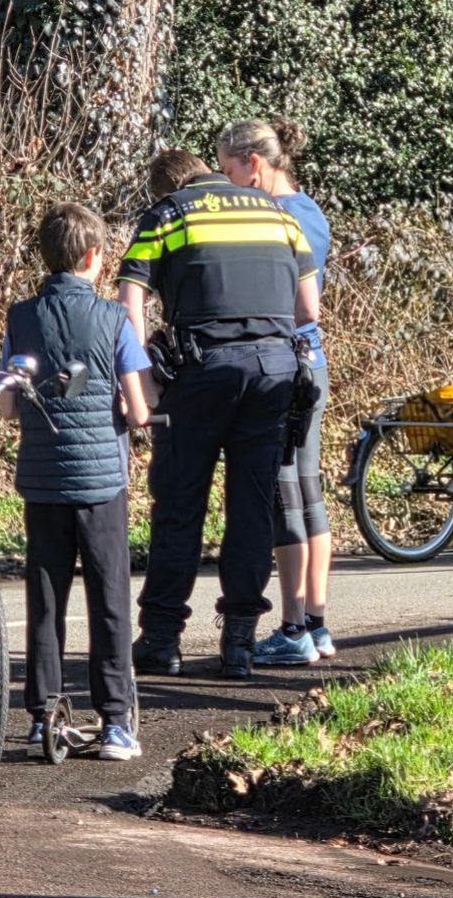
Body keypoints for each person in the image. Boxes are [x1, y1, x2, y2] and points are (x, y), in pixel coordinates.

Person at [118, 149, 319, 680]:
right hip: (274, 372)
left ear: (167, 187)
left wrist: (139, 378)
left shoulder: (168, 213)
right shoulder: (279, 214)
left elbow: (129, 296)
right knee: (252, 505)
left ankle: (162, 640)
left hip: (200, 372)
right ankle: (239, 645)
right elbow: (309, 309)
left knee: (180, 505)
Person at [1, 202, 153, 761]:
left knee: (46, 596)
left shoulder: (20, 317)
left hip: (42, 480)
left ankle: (42, 712)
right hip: (101, 482)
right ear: (94, 257)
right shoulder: (116, 319)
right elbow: (138, 412)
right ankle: (115, 720)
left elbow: (10, 406)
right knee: (109, 596)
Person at [213, 117, 337, 667]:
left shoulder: (274, 216)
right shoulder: (311, 210)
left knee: (286, 495)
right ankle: (316, 623)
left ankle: (292, 628)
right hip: (314, 363)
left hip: (285, 365)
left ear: (253, 164)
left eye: (228, 170)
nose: (227, 183)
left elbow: (290, 299)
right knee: (308, 494)